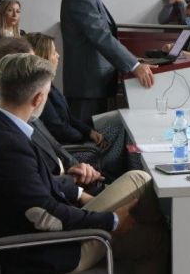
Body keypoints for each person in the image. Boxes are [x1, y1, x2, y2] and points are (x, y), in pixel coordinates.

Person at [0, 53, 169, 274]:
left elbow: (33, 185)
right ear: (38, 99)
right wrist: (112, 221)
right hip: (42, 251)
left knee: (147, 214)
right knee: (151, 225)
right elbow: (46, 216)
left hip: (30, 239)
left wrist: (75, 188)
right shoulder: (9, 147)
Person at [0, 37, 105, 193]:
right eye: (23, 68)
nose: (33, 74)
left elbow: (50, 143)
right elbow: (19, 181)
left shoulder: (15, 100)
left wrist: (74, 166)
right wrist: (74, 185)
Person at [60, 0, 154, 125]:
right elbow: (101, 36)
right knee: (87, 138)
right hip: (87, 87)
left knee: (97, 137)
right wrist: (134, 66)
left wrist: (134, 60)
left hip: (94, 84)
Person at [26, 32, 130, 178]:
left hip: (76, 140)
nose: (58, 56)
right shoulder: (41, 91)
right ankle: (111, 175)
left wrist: (89, 132)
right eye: (54, 52)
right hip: (70, 149)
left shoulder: (50, 84)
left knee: (120, 124)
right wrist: (84, 137)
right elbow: (59, 129)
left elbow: (69, 117)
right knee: (119, 130)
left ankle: (113, 173)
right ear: (43, 57)